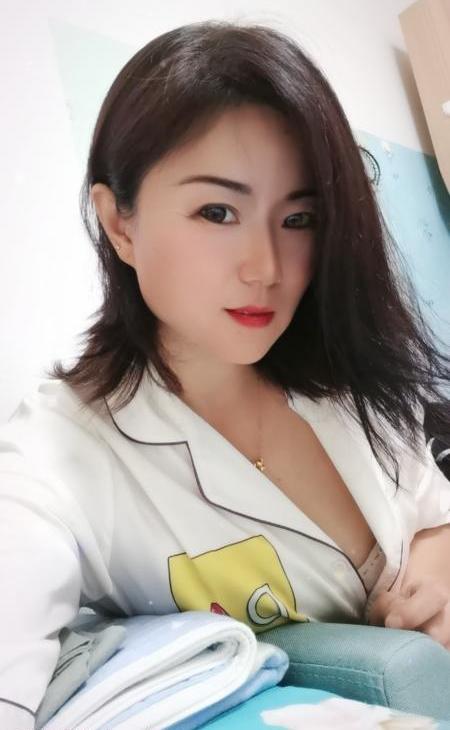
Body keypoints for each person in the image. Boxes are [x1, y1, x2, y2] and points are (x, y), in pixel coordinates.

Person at [1, 18, 450, 729]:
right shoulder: (62, 454)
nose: (266, 268)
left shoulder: (338, 369)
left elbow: (431, 506)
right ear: (119, 223)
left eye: (298, 219)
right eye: (217, 211)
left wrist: (436, 562)